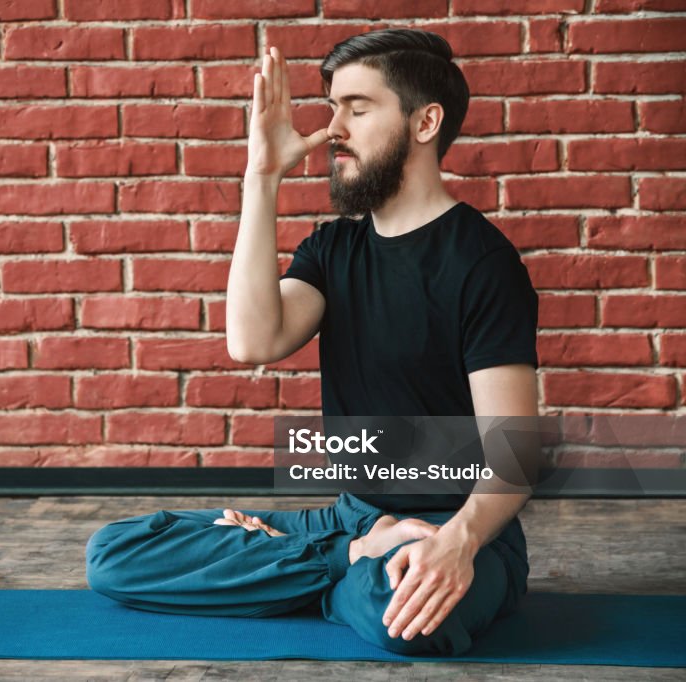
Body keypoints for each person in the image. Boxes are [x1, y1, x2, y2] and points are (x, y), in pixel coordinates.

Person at [85, 28, 540, 656]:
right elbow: (252, 340)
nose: (333, 130)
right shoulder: (332, 249)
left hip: (458, 527)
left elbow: (514, 458)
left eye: (357, 108)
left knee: (399, 615)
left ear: (425, 121)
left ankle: (320, 568)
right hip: (350, 520)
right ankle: (348, 558)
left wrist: (457, 543)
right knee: (114, 554)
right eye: (332, 108)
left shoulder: (482, 263)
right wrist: (263, 173)